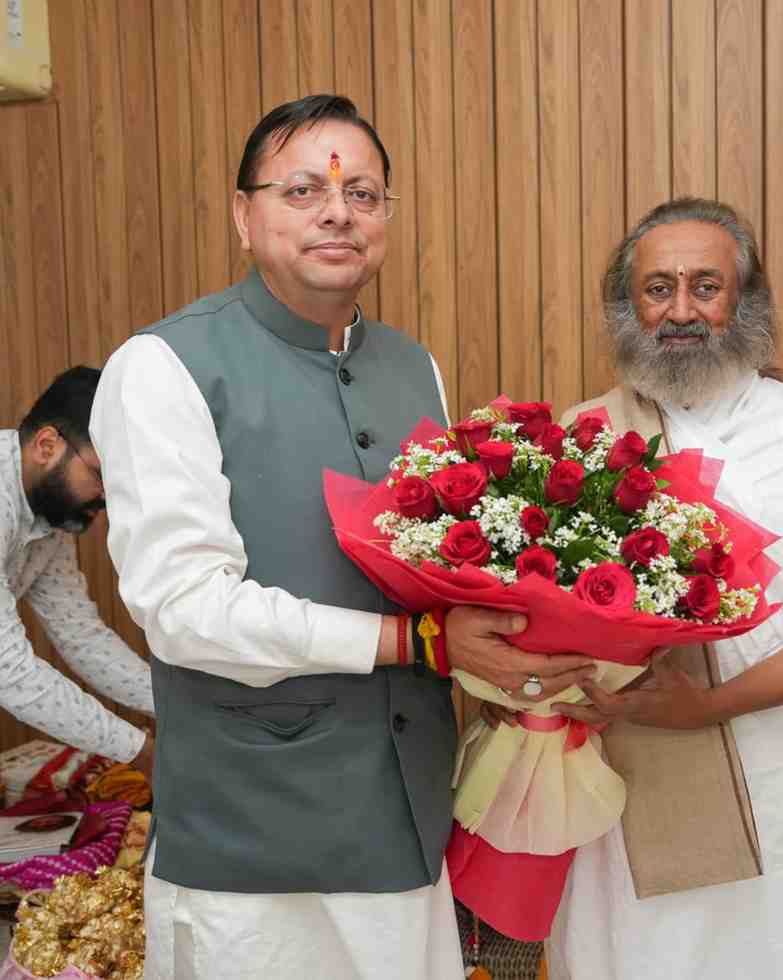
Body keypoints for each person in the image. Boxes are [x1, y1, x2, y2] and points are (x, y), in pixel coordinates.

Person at [90, 94, 593, 980]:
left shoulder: (410, 365)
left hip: (405, 814)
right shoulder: (163, 366)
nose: (337, 212)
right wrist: (416, 642)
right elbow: (185, 611)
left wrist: (516, 657)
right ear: (243, 216)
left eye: (362, 193)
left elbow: (437, 571)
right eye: (303, 191)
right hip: (253, 843)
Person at [539, 198, 783, 978]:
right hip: (621, 773)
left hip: (774, 771)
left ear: (745, 302)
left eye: (706, 286)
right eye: (658, 289)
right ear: (627, 308)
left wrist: (709, 707)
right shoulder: (586, 432)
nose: (682, 311)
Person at [0, 367, 154, 775]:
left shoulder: (47, 519)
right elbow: (9, 671)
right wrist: (142, 753)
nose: (107, 497)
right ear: (47, 445)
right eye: (101, 476)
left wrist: (176, 704)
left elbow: (82, 638)